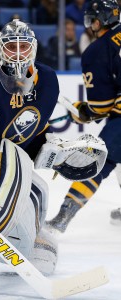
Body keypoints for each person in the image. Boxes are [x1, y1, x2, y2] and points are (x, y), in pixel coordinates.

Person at [0, 19, 107, 294]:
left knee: (36, 189)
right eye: (10, 47)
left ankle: (21, 240)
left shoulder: (47, 80)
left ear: (33, 49)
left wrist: (56, 155)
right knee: (9, 181)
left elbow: (28, 134)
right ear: (0, 50)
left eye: (23, 46)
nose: (17, 53)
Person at [47, 0, 121, 233]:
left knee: (98, 161)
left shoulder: (98, 49)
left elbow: (101, 106)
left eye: (91, 20)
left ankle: (61, 219)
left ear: (99, 21)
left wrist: (83, 113)